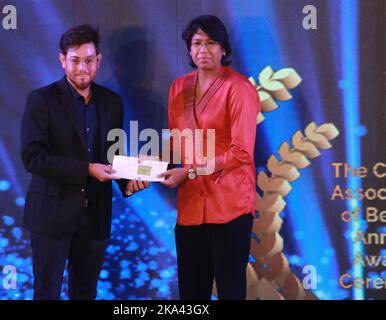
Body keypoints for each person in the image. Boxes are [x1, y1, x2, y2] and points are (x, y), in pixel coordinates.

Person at [20, 24, 148, 300]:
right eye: (75, 60)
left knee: (86, 293)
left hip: (95, 217)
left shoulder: (112, 102)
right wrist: (87, 169)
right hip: (51, 214)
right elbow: (33, 157)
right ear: (62, 60)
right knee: (47, 292)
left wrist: (130, 182)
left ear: (98, 60)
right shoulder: (41, 100)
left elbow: (112, 156)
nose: (82, 68)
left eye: (89, 60)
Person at [158, 15, 260, 300]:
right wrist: (145, 168)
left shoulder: (239, 89)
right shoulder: (178, 88)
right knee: (191, 295)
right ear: (189, 50)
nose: (203, 49)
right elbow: (175, 141)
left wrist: (189, 172)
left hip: (229, 208)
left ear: (224, 49)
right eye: (197, 43)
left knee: (230, 290)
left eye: (211, 43)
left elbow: (241, 152)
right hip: (190, 208)